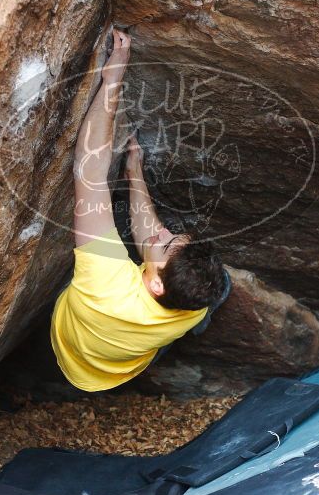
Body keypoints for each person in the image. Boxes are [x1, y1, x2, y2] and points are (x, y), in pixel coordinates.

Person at [50, 29, 230, 392]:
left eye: (164, 243)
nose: (160, 230)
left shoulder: (105, 278)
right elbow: (150, 232)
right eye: (173, 236)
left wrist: (112, 80)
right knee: (221, 285)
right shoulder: (192, 302)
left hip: (76, 355)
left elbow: (90, 168)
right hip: (132, 357)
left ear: (155, 283)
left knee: (112, 238)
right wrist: (134, 173)